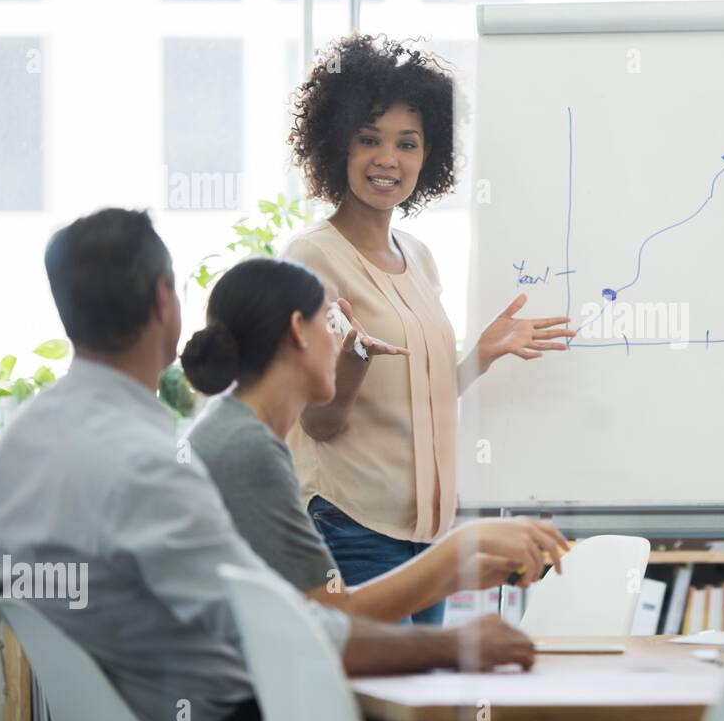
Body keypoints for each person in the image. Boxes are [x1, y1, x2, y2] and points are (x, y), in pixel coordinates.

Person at [0, 208, 535, 721]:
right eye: (329, 319)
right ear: (162, 300)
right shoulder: (155, 465)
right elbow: (296, 635)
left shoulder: (20, 444)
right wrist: (453, 640)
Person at [283, 33, 575, 624]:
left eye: (407, 144)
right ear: (337, 146)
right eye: (369, 140)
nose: (387, 158)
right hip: (351, 523)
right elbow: (318, 420)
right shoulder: (311, 259)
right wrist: (352, 362)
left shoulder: (417, 256)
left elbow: (417, 397)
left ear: (428, 157)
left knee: (421, 709)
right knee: (378, 707)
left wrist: (478, 359)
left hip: (427, 532)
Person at [181, 256, 569, 620]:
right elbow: (336, 620)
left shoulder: (234, 430)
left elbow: (326, 613)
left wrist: (462, 567)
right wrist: (461, 548)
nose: (346, 342)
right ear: (299, 331)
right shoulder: (248, 450)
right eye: (331, 323)